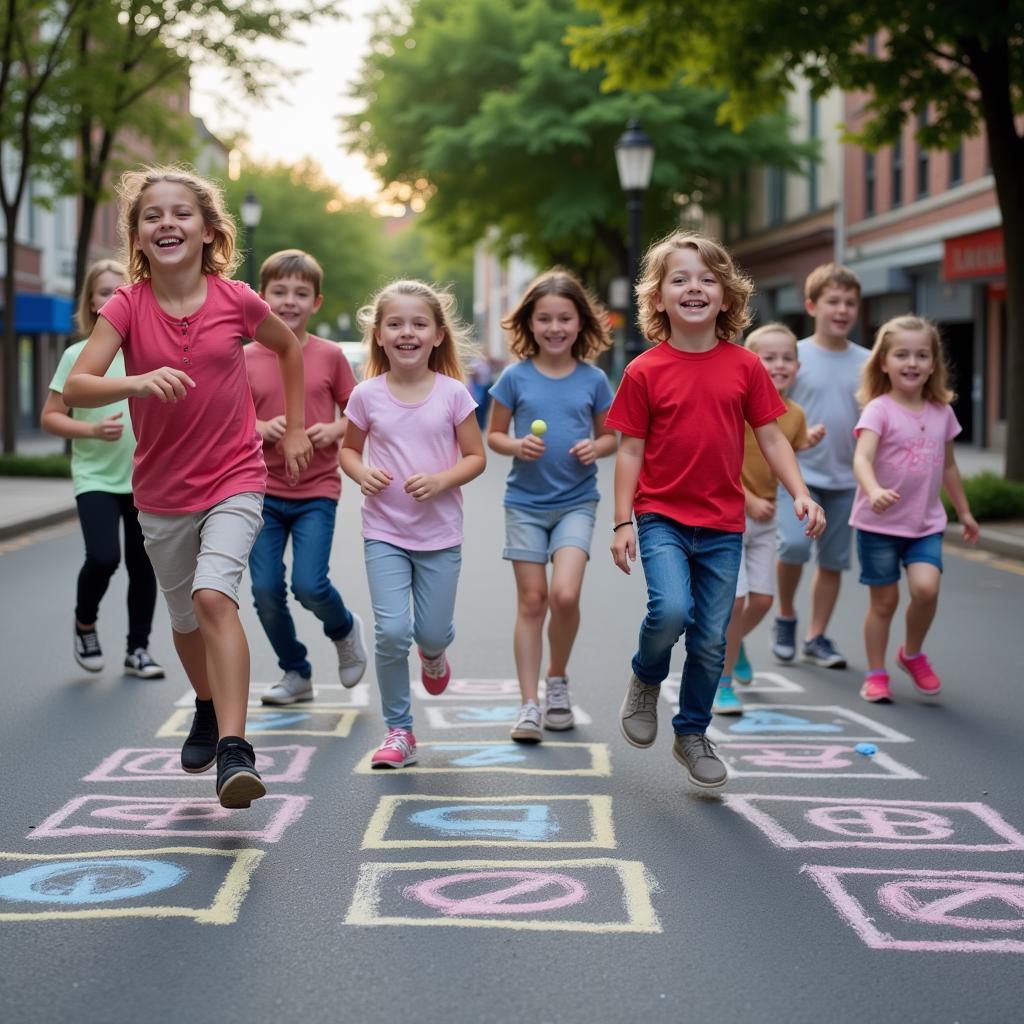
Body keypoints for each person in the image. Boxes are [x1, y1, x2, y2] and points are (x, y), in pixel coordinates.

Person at [63, 165, 313, 809]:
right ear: (138, 238)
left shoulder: (236, 300)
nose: (167, 223)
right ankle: (205, 702)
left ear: (208, 231)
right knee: (182, 617)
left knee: (212, 598)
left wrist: (291, 432)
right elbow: (79, 386)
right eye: (152, 216)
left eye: (181, 213)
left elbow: (288, 349)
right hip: (161, 491)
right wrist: (136, 382)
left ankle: (235, 748)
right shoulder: (126, 306)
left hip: (235, 476)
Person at [606, 231, 825, 790]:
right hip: (661, 518)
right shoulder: (644, 370)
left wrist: (800, 491)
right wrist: (622, 520)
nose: (694, 288)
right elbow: (630, 449)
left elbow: (773, 439)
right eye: (679, 279)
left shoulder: (745, 366)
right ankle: (645, 678)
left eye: (707, 279)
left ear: (726, 297)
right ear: (657, 298)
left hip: (724, 525)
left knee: (710, 637)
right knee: (672, 610)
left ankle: (691, 733)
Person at [340, 280, 485, 769]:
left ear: (438, 335)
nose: (407, 332)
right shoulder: (366, 395)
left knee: (431, 633)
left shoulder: (453, 394)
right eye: (395, 324)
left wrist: (443, 480)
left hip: (440, 535)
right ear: (379, 335)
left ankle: (435, 654)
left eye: (419, 324)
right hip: (384, 531)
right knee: (391, 632)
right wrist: (362, 474)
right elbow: (348, 450)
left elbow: (476, 457)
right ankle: (399, 730)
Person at [487, 269, 615, 742]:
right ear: (530, 324)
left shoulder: (594, 379)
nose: (555, 327)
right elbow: (493, 435)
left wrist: (595, 448)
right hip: (524, 504)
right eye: (545, 319)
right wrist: (516, 445)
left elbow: (611, 436)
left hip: (577, 502)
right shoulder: (514, 377)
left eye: (564, 318)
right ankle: (528, 704)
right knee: (532, 601)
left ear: (581, 323)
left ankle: (556, 679)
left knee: (564, 595)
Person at [245, 249, 367, 705]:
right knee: (264, 588)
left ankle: (343, 628)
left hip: (316, 488)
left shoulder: (331, 355)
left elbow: (358, 413)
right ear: (262, 298)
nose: (289, 301)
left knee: (310, 585)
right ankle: (295, 671)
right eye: (280, 291)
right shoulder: (244, 357)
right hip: (259, 490)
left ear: (317, 302)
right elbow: (226, 419)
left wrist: (333, 429)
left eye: (301, 293)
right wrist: (260, 428)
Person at [42, 259, 163, 679]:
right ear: (91, 302)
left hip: (144, 476)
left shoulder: (144, 350)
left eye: (120, 290)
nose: (112, 297)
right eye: (103, 291)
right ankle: (85, 623)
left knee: (143, 564)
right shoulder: (78, 354)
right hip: (95, 477)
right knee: (103, 558)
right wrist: (91, 429)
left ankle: (138, 649)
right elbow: (51, 416)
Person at [851, 315, 979, 703]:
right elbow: (861, 458)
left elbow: (950, 466)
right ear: (884, 362)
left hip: (925, 524)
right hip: (878, 524)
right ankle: (876, 673)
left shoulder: (942, 413)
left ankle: (911, 653)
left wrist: (965, 511)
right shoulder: (879, 410)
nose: (912, 362)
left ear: (934, 364)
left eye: (922, 355)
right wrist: (872, 490)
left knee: (926, 589)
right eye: (902, 354)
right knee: (884, 602)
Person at [713, 323, 825, 714]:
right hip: (730, 515)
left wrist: (807, 442)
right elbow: (717, 457)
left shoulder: (795, 414)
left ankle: (732, 642)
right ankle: (721, 682)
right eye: (769, 357)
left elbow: (783, 451)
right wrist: (745, 499)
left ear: (798, 365)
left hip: (765, 520)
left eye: (787, 358)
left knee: (761, 600)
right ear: (750, 361)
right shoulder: (738, 402)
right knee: (737, 600)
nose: (779, 365)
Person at [772, 263, 868, 669]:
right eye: (833, 301)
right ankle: (786, 615)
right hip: (801, 478)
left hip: (847, 479)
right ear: (812, 305)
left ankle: (817, 636)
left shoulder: (868, 360)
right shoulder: (796, 358)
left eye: (849, 302)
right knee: (793, 546)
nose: (842, 309)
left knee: (832, 562)